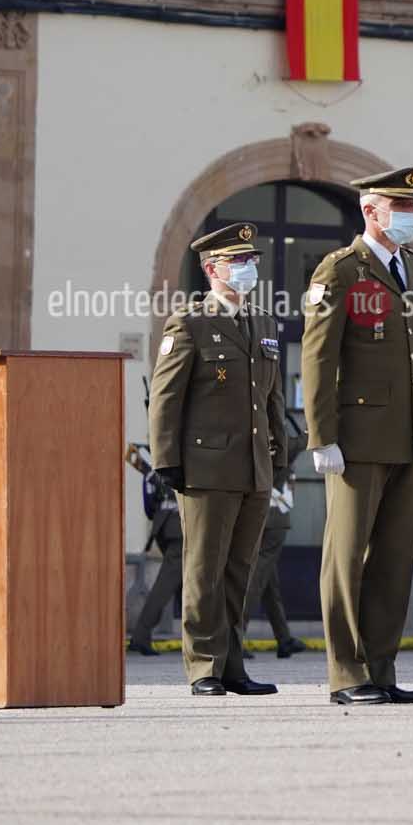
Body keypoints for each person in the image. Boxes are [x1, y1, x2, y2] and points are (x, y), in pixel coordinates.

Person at [302, 167, 413, 707]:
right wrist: (322, 436)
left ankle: (381, 667)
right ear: (370, 211)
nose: (410, 217)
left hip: (408, 437)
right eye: (399, 207)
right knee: (347, 554)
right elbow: (318, 356)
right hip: (356, 437)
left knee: (394, 558)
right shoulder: (340, 270)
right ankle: (346, 673)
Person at [146, 223, 287, 697]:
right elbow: (166, 398)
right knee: (204, 568)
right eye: (239, 262)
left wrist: (279, 458)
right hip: (206, 468)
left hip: (253, 467)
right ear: (212, 269)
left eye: (252, 262)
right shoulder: (190, 323)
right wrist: (167, 461)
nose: (249, 270)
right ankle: (204, 665)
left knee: (239, 570)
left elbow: (272, 401)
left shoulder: (264, 323)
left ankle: (231, 664)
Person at [246, 475, 306, 658]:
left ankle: (284, 638)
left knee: (269, 583)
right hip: (274, 512)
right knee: (257, 579)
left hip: (259, 510)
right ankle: (234, 635)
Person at [128, 457, 183, 656]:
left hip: (163, 525)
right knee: (165, 585)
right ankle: (140, 636)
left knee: (187, 585)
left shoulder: (154, 463)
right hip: (181, 527)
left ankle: (200, 639)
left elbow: (148, 503)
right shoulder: (188, 452)